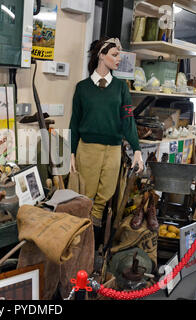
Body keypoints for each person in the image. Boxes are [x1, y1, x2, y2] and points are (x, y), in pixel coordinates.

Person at [69, 37, 145, 245]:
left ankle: (92, 245)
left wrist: (137, 150)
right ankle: (78, 243)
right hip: (87, 149)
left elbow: (128, 121)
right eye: (114, 54)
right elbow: (74, 123)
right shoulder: (83, 88)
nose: (119, 58)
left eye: (119, 54)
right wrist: (71, 152)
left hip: (113, 150)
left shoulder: (121, 88)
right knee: (84, 197)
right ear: (101, 55)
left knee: (104, 198)